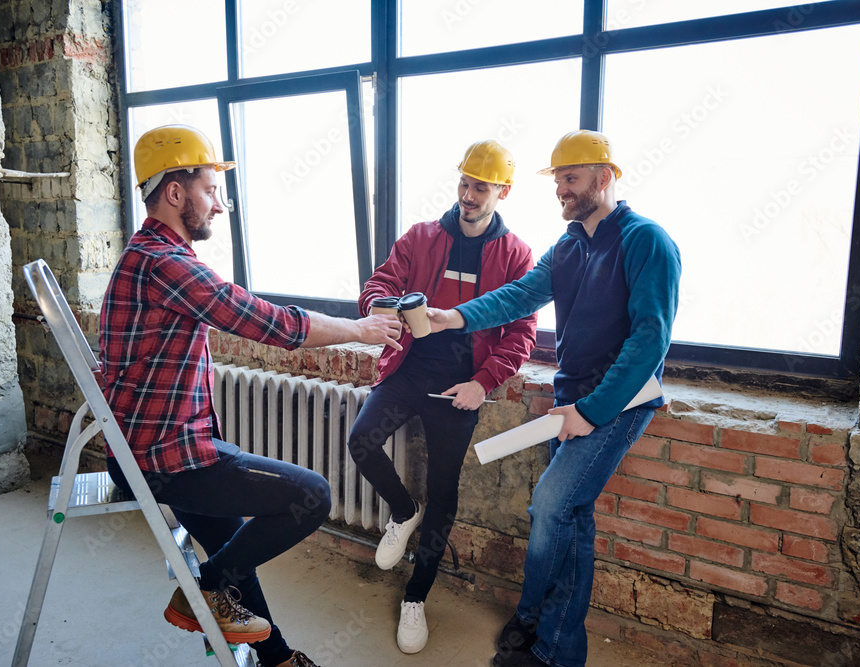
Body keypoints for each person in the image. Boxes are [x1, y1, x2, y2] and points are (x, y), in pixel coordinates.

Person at [98, 124, 403, 667]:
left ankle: (276, 658)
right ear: (175, 192)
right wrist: (361, 329)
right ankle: (205, 590)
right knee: (310, 495)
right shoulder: (164, 264)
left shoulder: (151, 254)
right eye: (210, 190)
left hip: (157, 447)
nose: (218, 205)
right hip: (162, 458)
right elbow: (269, 323)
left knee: (232, 542)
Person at [427, 130, 681, 667]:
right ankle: (548, 630)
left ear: (604, 178)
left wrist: (590, 413)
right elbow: (520, 294)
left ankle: (544, 643)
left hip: (619, 402)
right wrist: (455, 316)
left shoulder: (646, 241)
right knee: (570, 516)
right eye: (559, 180)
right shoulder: (570, 245)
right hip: (571, 400)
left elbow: (649, 341)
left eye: (570, 178)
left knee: (550, 505)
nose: (560, 190)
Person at [348, 140, 538, 654]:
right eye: (464, 183)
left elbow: (522, 332)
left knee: (445, 493)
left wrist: (484, 382)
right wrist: (381, 306)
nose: (469, 195)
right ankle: (402, 511)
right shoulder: (422, 236)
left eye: (481, 186)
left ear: (503, 191)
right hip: (407, 369)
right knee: (361, 440)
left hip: (461, 387)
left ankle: (416, 597)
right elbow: (379, 282)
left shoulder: (516, 254)